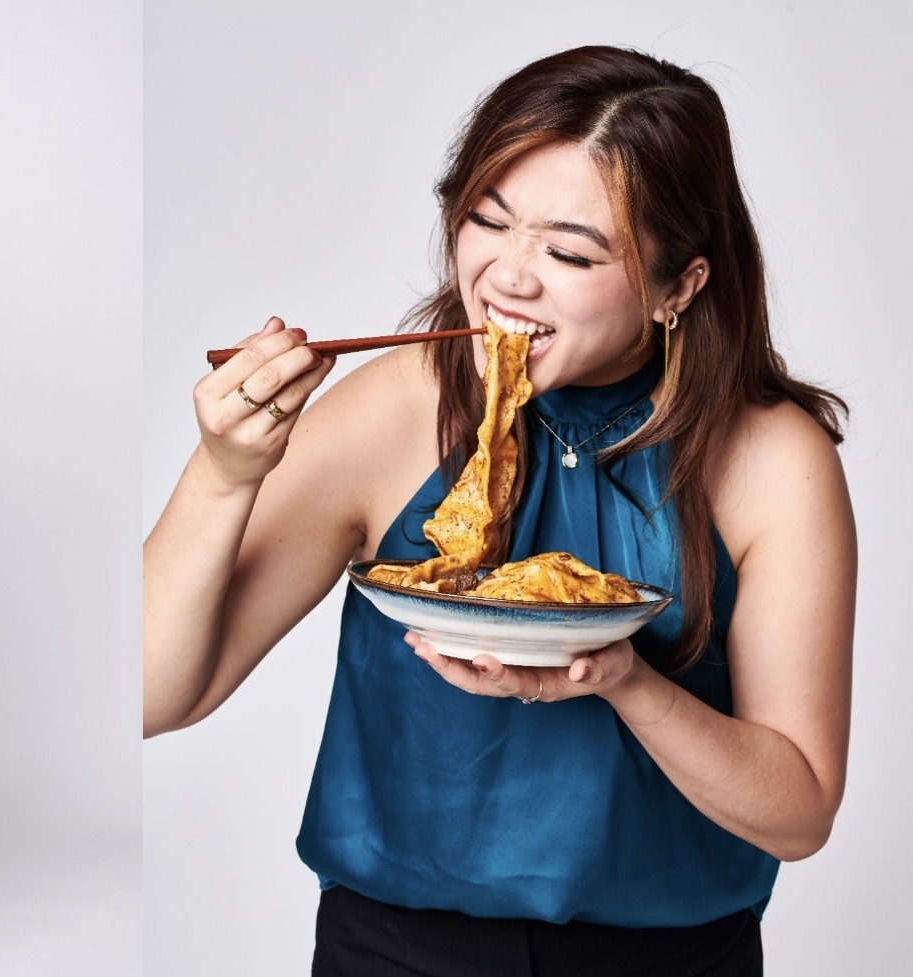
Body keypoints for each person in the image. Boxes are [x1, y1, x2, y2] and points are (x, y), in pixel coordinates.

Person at [143, 46, 855, 976]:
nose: (507, 278)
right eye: (486, 219)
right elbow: (156, 693)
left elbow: (798, 811)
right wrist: (226, 470)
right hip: (392, 949)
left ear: (681, 285)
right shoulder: (396, 408)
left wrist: (624, 681)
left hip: (677, 957)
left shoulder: (770, 459)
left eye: (569, 251)